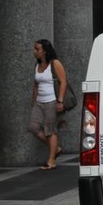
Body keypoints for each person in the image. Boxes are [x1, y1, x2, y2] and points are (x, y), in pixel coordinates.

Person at [29, 38, 68, 170]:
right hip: (39, 101)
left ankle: (51, 161)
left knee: (50, 131)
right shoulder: (37, 64)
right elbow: (36, 84)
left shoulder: (55, 63)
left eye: (37, 49)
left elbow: (63, 82)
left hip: (52, 100)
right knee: (33, 127)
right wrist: (33, 100)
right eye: (35, 49)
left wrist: (60, 101)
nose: (34, 51)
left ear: (45, 51)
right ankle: (55, 148)